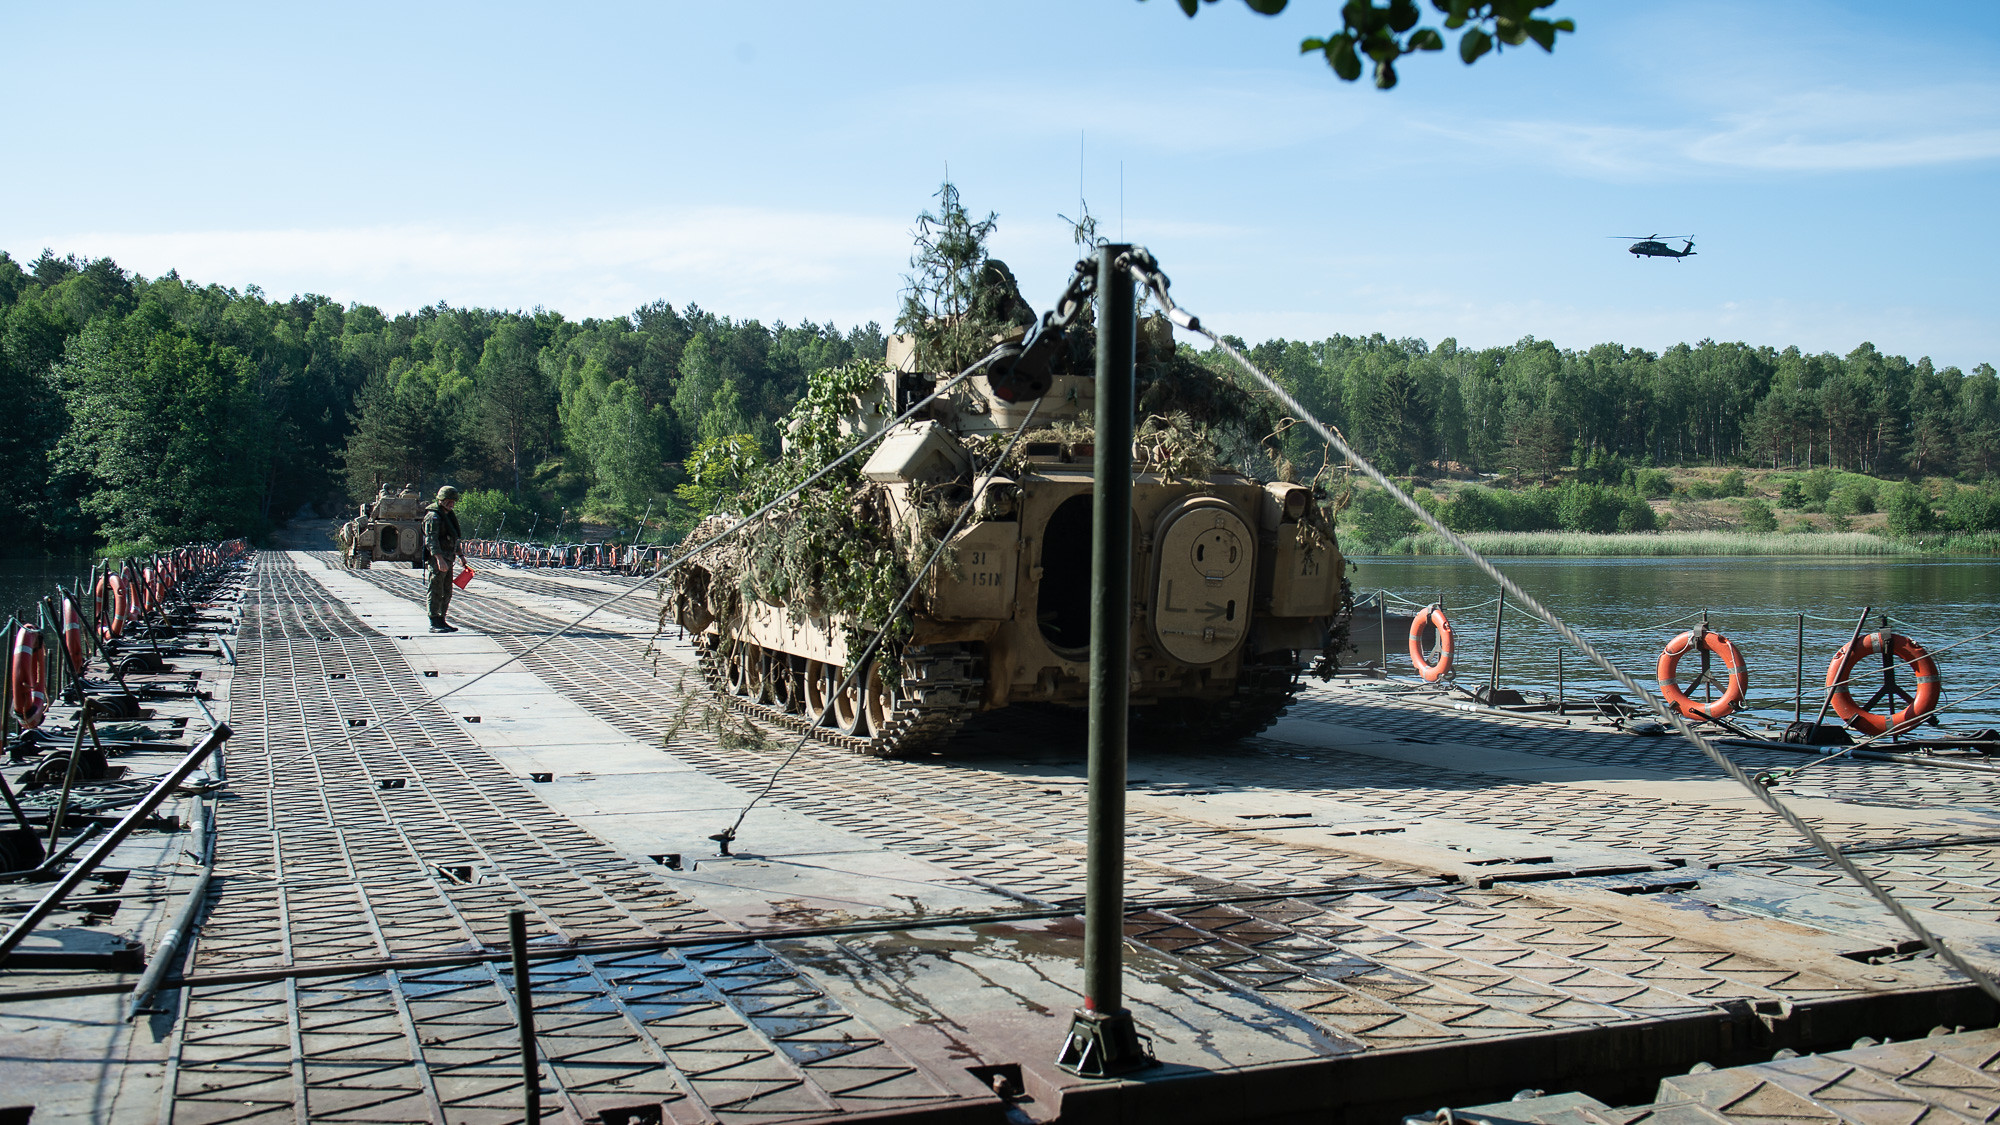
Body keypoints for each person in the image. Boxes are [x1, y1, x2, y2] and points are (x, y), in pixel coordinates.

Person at [424, 485, 469, 632]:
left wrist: (461, 556)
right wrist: (439, 559)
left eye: (453, 501)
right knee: (436, 589)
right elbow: (431, 540)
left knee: (447, 591)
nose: (451, 504)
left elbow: (453, 537)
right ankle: (434, 621)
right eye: (449, 501)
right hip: (438, 560)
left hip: (448, 559)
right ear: (441, 500)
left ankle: (441, 620)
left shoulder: (448, 516)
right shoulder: (433, 517)